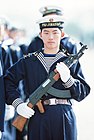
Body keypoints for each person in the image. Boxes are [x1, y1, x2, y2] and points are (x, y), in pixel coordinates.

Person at [4, 8, 90, 140]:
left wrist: (69, 80)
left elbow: (83, 92)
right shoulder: (29, 61)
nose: (51, 37)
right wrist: (18, 103)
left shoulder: (69, 61)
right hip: (38, 116)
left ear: (62, 35)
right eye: (46, 32)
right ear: (40, 35)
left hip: (64, 117)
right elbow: (7, 80)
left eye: (55, 32)